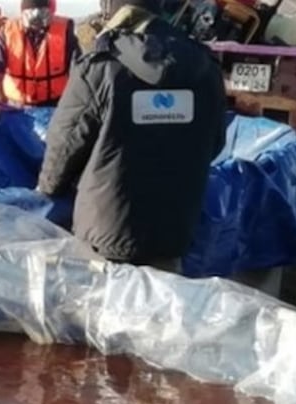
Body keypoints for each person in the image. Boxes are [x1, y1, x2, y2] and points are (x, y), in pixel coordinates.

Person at [35, 0, 227, 273]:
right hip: (173, 228)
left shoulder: (100, 66)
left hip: (105, 232)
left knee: (103, 307)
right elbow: (216, 142)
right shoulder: (205, 68)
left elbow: (65, 143)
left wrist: (48, 188)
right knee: (162, 308)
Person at [0, 0, 81, 117]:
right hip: (16, 107)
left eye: (42, 14)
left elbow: (80, 69)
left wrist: (79, 102)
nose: (37, 19)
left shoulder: (64, 31)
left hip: (55, 106)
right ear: (23, 13)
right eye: (31, 14)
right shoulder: (8, 31)